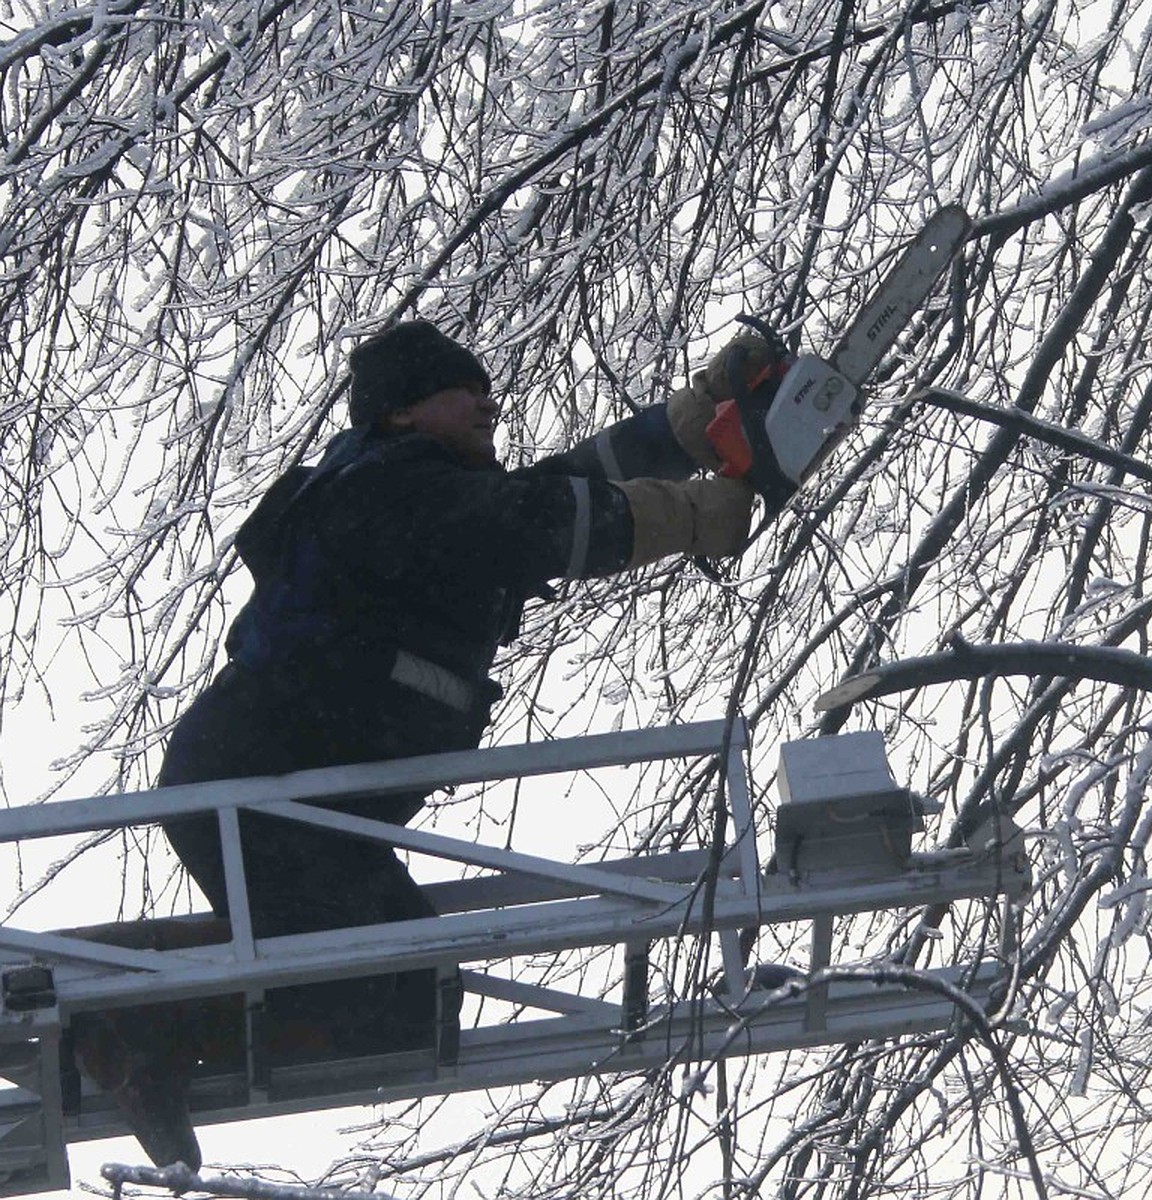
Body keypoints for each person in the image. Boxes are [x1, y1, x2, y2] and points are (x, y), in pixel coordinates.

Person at [72, 320, 770, 1171]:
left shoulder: (412, 493)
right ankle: (121, 1033)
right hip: (260, 795)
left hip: (281, 793)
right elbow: (538, 520)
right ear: (402, 413)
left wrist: (691, 424)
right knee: (400, 997)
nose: (489, 401)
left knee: (392, 987)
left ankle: (120, 1025)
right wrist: (699, 515)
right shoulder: (394, 495)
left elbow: (559, 485)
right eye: (462, 390)